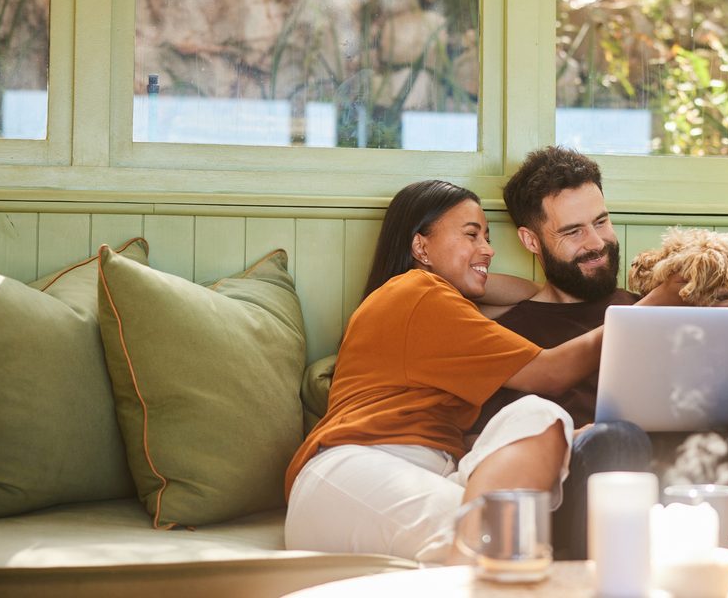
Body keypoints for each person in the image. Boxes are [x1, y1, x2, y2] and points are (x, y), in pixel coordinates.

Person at [283, 179, 685, 564]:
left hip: (440, 471)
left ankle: (490, 555)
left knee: (540, 416)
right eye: (472, 235)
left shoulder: (443, 305)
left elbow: (529, 293)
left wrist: (569, 436)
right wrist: (655, 303)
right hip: (354, 471)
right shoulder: (416, 292)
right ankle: (494, 560)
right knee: (497, 538)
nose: (488, 249)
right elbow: (550, 372)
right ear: (420, 246)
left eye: (488, 237)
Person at [476, 146, 728, 565]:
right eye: (573, 232)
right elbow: (500, 446)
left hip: (696, 471)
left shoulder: (671, 300)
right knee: (615, 438)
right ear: (530, 240)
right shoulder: (512, 332)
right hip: (599, 474)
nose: (597, 243)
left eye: (601, 222)